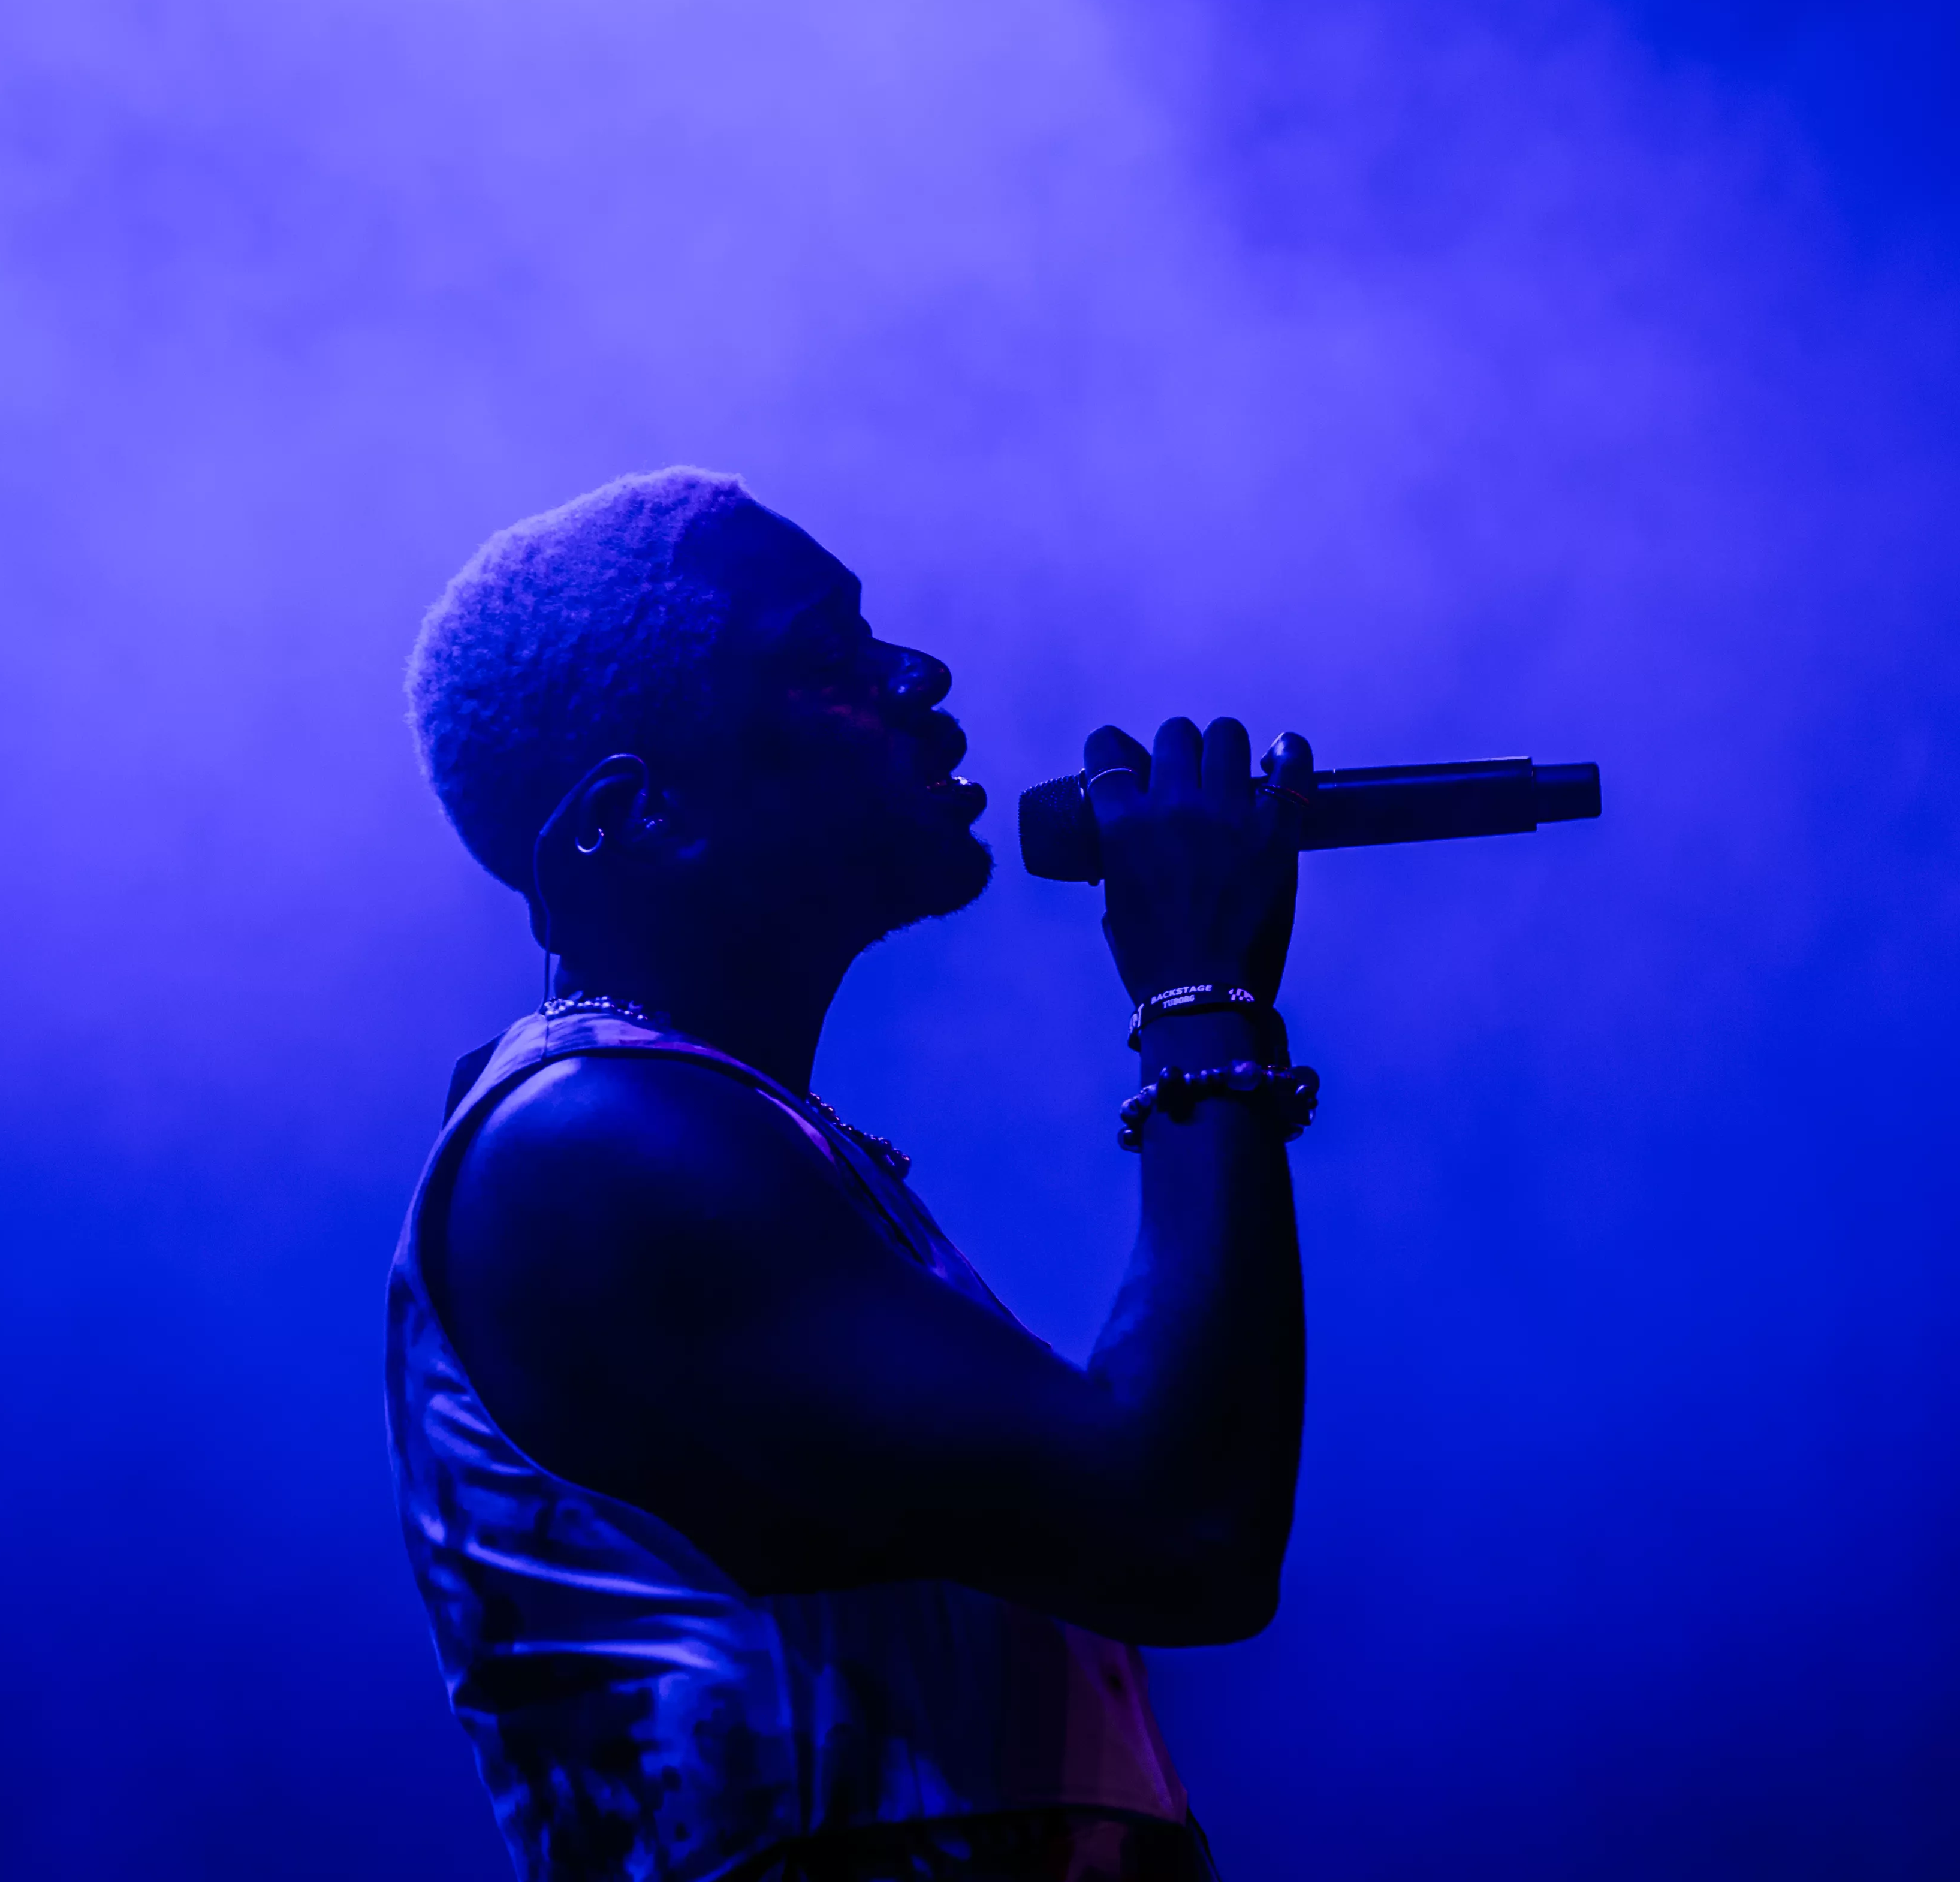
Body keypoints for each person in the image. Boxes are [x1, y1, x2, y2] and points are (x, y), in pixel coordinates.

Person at [388, 468, 1313, 1882]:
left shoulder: (723, 1134)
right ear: (635, 815)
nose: (917, 673)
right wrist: (1197, 992)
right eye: (825, 655)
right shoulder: (587, 1144)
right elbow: (1184, 1524)